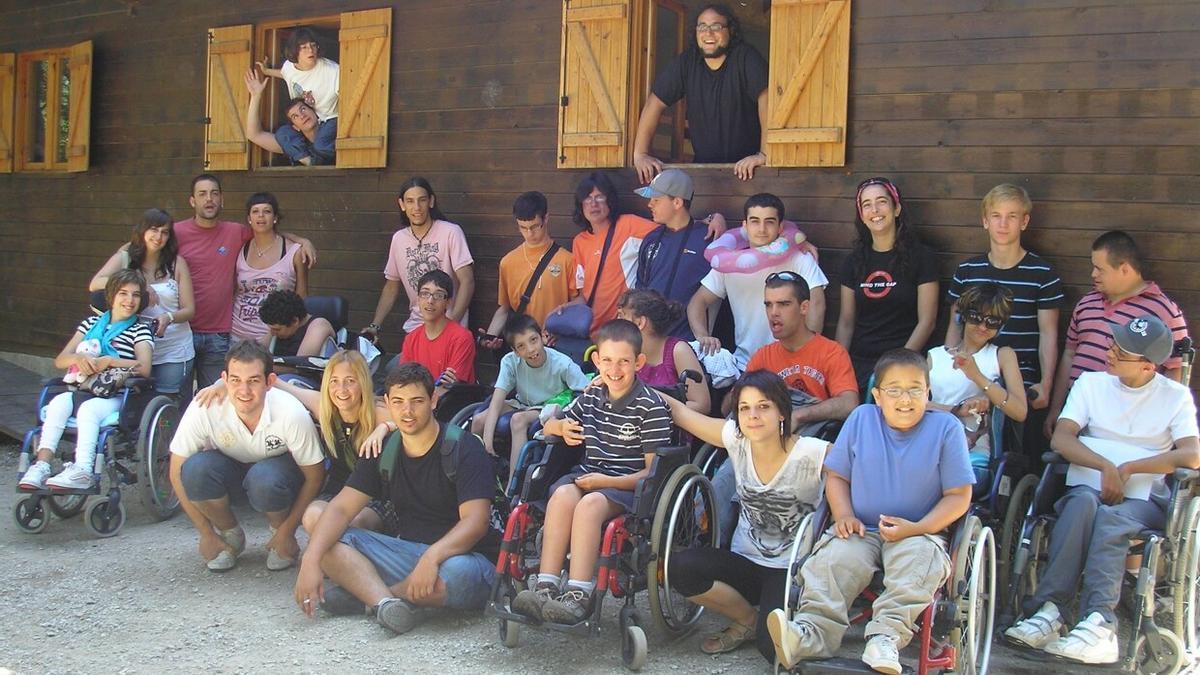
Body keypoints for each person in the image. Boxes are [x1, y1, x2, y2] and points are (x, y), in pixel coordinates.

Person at [1004, 316, 1199, 665]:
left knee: (1111, 520)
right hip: (1088, 483)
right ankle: (1051, 611)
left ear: (1147, 365)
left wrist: (1130, 469)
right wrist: (1105, 467)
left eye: (1120, 351)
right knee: (1079, 507)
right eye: (1113, 344)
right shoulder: (1091, 383)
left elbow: (1191, 454)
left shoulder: (1175, 396)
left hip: (1144, 496)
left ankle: (1099, 623)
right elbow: (1063, 437)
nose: (1109, 352)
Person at [767, 348, 975, 674]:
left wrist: (916, 528)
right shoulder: (862, 418)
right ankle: (809, 636)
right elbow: (836, 476)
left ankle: (885, 639)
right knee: (832, 561)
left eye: (914, 389)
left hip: (920, 532)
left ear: (928, 392)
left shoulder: (946, 428)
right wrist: (844, 514)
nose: (904, 398)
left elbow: (959, 496)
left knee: (917, 564)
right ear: (877, 395)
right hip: (861, 528)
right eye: (894, 389)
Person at [293, 363, 498, 634]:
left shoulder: (463, 447)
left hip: (461, 557)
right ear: (387, 403)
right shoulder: (384, 447)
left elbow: (476, 522)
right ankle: (390, 604)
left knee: (457, 573)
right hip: (406, 552)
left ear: (433, 400)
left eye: (417, 401)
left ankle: (371, 597)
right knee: (324, 538)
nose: (407, 412)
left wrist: (432, 558)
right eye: (399, 402)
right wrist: (310, 559)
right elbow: (341, 508)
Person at [511, 320, 673, 624]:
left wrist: (605, 482)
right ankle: (546, 585)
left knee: (589, 505)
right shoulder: (590, 396)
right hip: (588, 475)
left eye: (624, 361)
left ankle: (579, 592)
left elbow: (652, 472)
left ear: (639, 362)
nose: (615, 369)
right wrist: (559, 426)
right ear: (596, 360)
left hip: (626, 485)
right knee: (560, 495)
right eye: (607, 360)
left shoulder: (650, 407)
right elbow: (548, 425)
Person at [660, 370, 826, 660]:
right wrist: (626, 381)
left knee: (773, 652)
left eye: (764, 406)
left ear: (782, 412)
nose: (753, 416)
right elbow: (680, 413)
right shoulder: (737, 439)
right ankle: (748, 621)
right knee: (679, 568)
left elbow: (856, 469)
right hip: (745, 562)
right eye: (744, 408)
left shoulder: (814, 452)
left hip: (790, 571)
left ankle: (768, 626)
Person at [192, 350, 396, 536]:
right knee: (312, 517)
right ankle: (337, 558)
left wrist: (385, 427)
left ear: (362, 382)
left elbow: (418, 423)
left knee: (354, 521)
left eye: (350, 381)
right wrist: (223, 383)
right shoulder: (324, 406)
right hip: (339, 490)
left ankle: (349, 561)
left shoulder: (378, 413)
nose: (341, 389)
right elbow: (277, 383)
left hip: (374, 496)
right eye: (334, 381)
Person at [168, 341, 326, 572]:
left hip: (276, 476)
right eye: (235, 380)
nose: (244, 391)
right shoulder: (205, 406)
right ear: (224, 378)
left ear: (269, 382)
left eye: (253, 380)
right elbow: (175, 472)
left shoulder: (291, 412)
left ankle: (278, 534)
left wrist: (287, 531)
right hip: (231, 469)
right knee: (195, 469)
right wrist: (205, 533)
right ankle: (229, 536)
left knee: (265, 478)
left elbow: (315, 475)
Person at [174, 174, 315, 396]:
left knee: (221, 397)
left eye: (214, 193)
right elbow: (146, 242)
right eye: (202, 194)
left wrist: (302, 241)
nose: (209, 199)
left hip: (226, 335)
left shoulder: (234, 232)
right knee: (179, 396)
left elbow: (268, 233)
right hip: (189, 330)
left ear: (222, 199)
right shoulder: (177, 232)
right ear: (192, 201)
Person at [1046, 230, 1189, 438]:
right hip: (1076, 415)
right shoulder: (1087, 303)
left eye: (1099, 269)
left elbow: (1176, 370)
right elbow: (1069, 354)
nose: (1093, 274)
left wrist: (1157, 424)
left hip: (1127, 423)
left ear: (1124, 269)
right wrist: (1056, 408)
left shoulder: (1164, 311)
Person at [19, 270, 154, 491]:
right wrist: (79, 358)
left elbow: (144, 367)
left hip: (117, 394)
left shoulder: (140, 330)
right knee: (58, 403)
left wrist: (109, 360)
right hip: (82, 388)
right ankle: (42, 464)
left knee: (88, 410)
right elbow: (61, 360)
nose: (129, 300)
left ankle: (83, 470)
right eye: (123, 293)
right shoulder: (90, 324)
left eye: (136, 295)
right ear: (111, 296)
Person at [555, 172, 722, 337]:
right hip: (618, 335)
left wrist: (715, 218)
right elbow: (587, 293)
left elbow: (680, 228)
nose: (650, 204)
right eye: (587, 199)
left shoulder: (631, 225)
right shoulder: (581, 242)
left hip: (670, 336)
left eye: (599, 197)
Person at [945, 184, 1064, 415]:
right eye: (996, 216)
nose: (1003, 224)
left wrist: (1046, 385)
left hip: (1021, 377)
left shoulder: (1043, 273)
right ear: (985, 221)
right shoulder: (967, 270)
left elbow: (1049, 334)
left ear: (1024, 222)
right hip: (970, 371)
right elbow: (955, 324)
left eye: (1012, 216)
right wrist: (949, 368)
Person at [689, 193, 827, 372]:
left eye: (769, 221)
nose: (761, 229)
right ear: (745, 225)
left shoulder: (799, 258)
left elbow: (817, 303)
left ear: (780, 226)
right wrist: (702, 335)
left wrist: (808, 352)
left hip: (792, 364)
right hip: (744, 364)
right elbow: (697, 302)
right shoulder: (728, 264)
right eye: (755, 221)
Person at [633, 3, 768, 182]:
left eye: (716, 27)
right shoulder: (687, 62)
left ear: (731, 31)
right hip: (704, 170)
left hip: (748, 169)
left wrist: (764, 154)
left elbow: (767, 99)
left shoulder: (746, 57)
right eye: (702, 27)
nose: (708, 33)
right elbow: (654, 103)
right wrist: (640, 154)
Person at [835, 177, 939, 391]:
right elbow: (846, 322)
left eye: (882, 201)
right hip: (859, 363)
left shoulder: (922, 257)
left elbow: (927, 322)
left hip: (904, 363)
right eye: (867, 204)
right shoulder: (852, 262)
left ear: (897, 208)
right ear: (862, 216)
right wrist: (838, 366)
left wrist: (898, 364)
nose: (875, 209)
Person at [928, 283, 1028, 491]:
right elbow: (917, 403)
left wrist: (977, 376)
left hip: (974, 449)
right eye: (976, 317)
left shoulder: (1002, 355)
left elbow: (1020, 411)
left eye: (992, 322)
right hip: (931, 441)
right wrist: (955, 409)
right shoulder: (935, 356)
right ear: (964, 316)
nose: (983, 327)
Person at [89, 208, 195, 396]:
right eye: (153, 230)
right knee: (131, 401)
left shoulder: (177, 263)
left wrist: (169, 317)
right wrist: (140, 285)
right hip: (131, 346)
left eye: (164, 232)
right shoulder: (125, 258)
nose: (158, 236)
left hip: (172, 347)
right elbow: (95, 284)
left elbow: (189, 309)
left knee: (166, 402)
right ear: (143, 231)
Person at [471, 314, 591, 479]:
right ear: (515, 351)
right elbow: (497, 400)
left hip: (547, 407)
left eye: (533, 340)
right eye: (521, 346)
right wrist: (488, 443)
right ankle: (474, 471)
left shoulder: (563, 363)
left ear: (542, 336)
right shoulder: (509, 361)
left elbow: (587, 391)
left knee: (517, 420)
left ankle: (513, 484)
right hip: (521, 402)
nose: (531, 349)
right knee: (478, 420)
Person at [363, 177, 475, 342]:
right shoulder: (399, 239)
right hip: (416, 328)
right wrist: (374, 326)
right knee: (393, 369)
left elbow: (468, 280)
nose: (416, 207)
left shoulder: (451, 232)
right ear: (402, 205)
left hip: (449, 327)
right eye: (410, 201)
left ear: (431, 201)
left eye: (422, 200)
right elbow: (391, 286)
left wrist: (452, 324)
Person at [742, 273, 858, 429]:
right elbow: (732, 405)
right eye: (768, 304)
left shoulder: (832, 352)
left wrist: (800, 416)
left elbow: (849, 403)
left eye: (783, 304)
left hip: (814, 440)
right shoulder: (762, 356)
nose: (773, 312)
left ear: (804, 307)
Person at [625, 169, 715, 339]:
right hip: (649, 340)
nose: (650, 204)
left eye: (656, 200)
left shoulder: (707, 238)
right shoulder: (650, 239)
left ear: (677, 202)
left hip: (689, 341)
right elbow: (641, 289)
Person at [481, 191, 577, 347]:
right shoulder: (508, 262)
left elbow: (578, 304)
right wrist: (491, 336)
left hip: (555, 345)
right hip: (522, 345)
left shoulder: (567, 259)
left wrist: (562, 329)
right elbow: (504, 308)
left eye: (534, 226)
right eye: (523, 227)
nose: (529, 233)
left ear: (546, 218)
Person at [252, 27, 339, 165]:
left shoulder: (332, 70)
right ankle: (308, 161)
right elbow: (285, 74)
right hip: (307, 126)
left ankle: (324, 162)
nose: (310, 50)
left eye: (313, 45)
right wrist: (266, 71)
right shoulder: (289, 67)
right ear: (294, 51)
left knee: (321, 146)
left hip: (329, 119)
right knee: (282, 133)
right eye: (303, 47)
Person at [615, 289, 710, 413]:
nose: (616, 321)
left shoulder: (678, 351)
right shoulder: (622, 353)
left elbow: (702, 405)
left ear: (640, 322)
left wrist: (651, 412)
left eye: (622, 316)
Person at [231, 192, 307, 345]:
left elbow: (302, 297)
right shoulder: (240, 247)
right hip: (235, 334)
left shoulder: (295, 252)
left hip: (273, 336)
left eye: (266, 211)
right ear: (249, 219)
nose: (260, 216)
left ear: (275, 218)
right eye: (255, 211)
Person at [400, 270, 476, 400]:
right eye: (425, 294)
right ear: (418, 298)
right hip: (416, 402)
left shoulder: (462, 337)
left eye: (439, 295)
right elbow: (404, 380)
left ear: (448, 302)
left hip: (449, 404)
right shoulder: (411, 338)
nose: (430, 300)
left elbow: (448, 386)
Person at [243, 70, 335, 166]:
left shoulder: (333, 131)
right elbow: (254, 135)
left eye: (303, 109)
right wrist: (255, 96)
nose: (302, 116)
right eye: (295, 116)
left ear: (314, 111)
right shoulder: (294, 144)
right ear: (295, 127)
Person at [258, 289, 336, 358]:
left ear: (294, 321)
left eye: (277, 329)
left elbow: (301, 364)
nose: (272, 333)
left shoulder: (319, 326)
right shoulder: (280, 325)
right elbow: (256, 351)